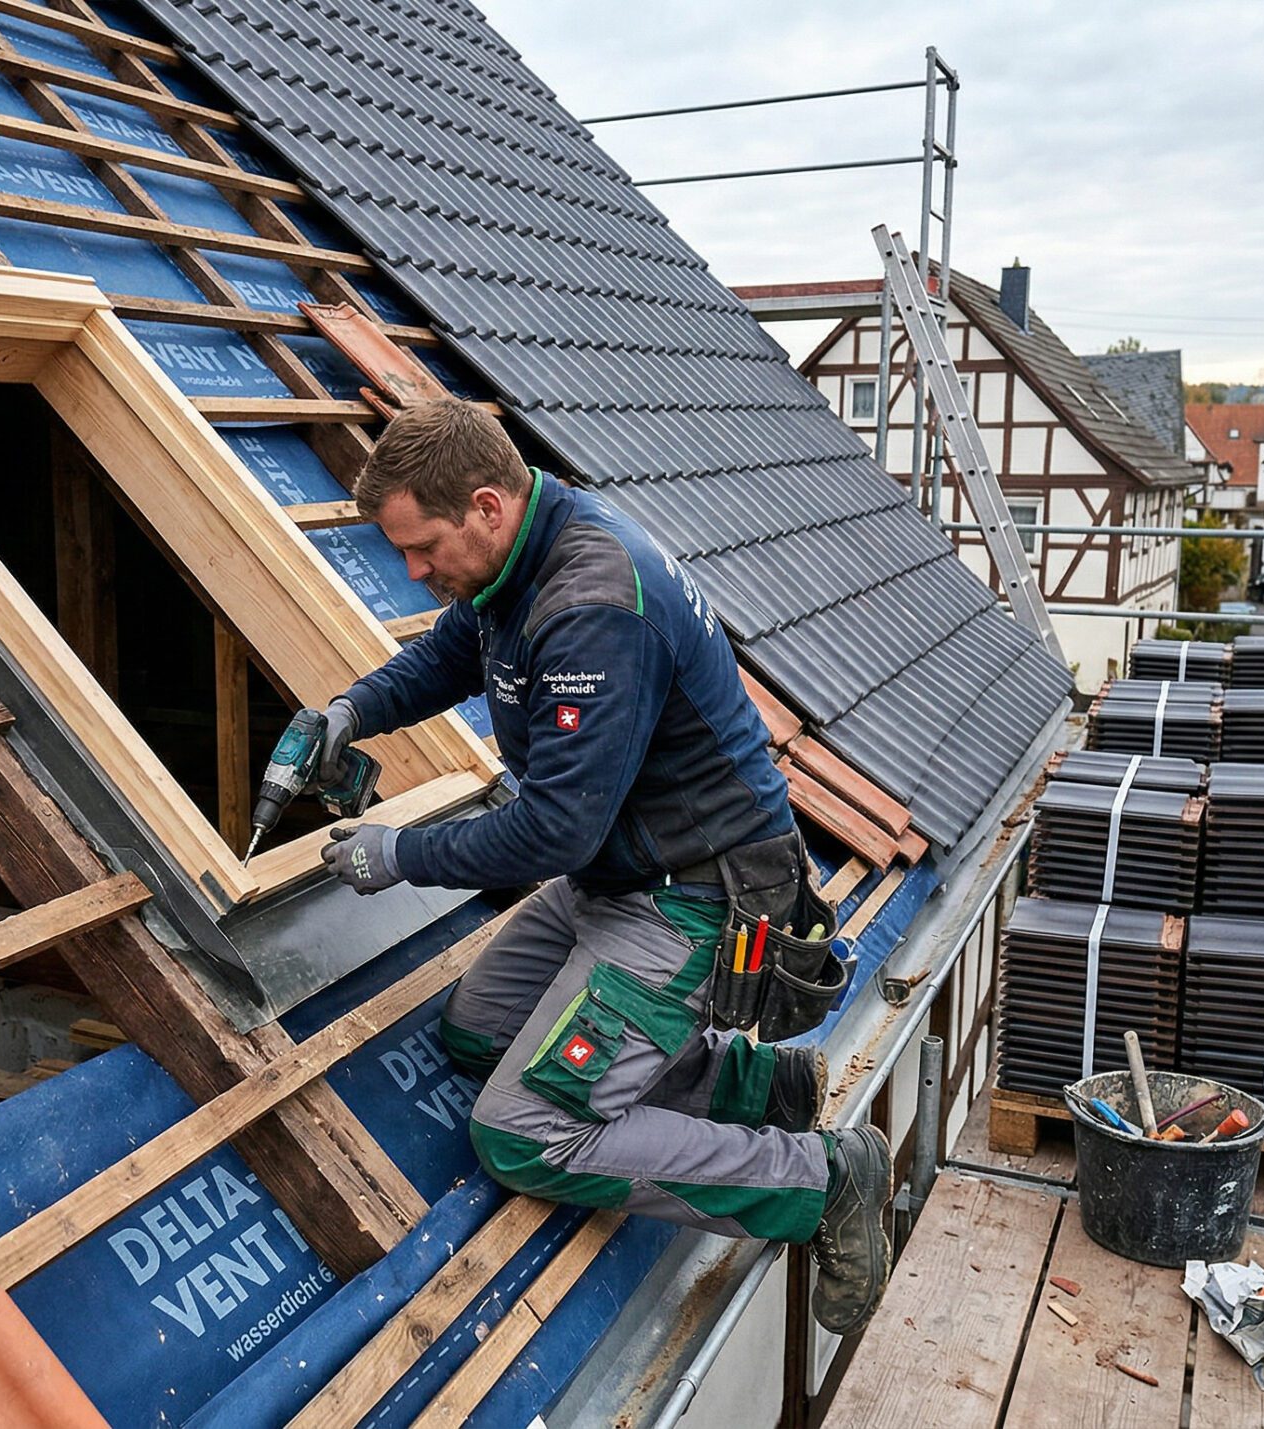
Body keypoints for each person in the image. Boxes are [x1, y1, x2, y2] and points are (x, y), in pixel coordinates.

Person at [303, 399, 893, 1335]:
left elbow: (553, 832)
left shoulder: (592, 605)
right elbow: (450, 657)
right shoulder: (520, 557)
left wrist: (399, 852)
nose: (413, 572)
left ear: (488, 506)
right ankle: (759, 1089)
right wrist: (349, 710)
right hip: (619, 879)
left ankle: (825, 1179)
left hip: (700, 902)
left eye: (422, 549)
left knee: (524, 1130)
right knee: (481, 1031)